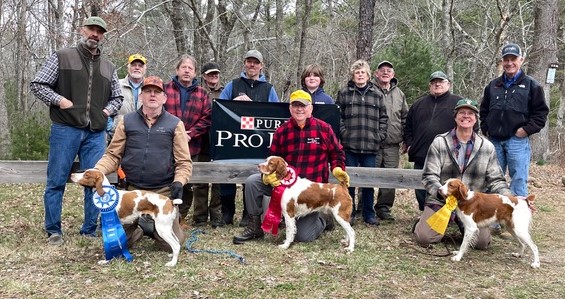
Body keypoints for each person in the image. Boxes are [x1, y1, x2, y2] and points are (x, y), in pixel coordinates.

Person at [29, 16, 123, 245]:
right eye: (92, 29)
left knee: (96, 182)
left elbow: (118, 97)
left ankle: (90, 230)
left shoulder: (108, 67)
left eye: (100, 31)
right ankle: (54, 231)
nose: (95, 34)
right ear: (83, 30)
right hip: (65, 129)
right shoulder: (62, 56)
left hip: (95, 133)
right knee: (56, 181)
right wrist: (59, 100)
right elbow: (38, 84)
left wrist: (106, 112)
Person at [233, 90, 346, 244]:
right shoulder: (282, 131)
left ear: (310, 108)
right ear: (290, 108)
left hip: (310, 191)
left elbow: (337, 153)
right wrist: (268, 177)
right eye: (296, 105)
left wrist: (338, 169)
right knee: (253, 182)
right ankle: (255, 227)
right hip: (285, 185)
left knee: (303, 237)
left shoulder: (324, 128)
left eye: (303, 106)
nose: (299, 109)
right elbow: (272, 158)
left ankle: (323, 219)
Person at [94, 76, 192, 252]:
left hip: (162, 190)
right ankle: (136, 231)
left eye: (157, 92)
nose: (152, 95)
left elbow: (184, 162)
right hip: (132, 190)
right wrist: (97, 172)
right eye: (148, 91)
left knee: (172, 244)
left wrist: (180, 181)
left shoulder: (175, 124)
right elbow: (112, 155)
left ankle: (154, 229)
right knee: (117, 241)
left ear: (164, 98)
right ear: (141, 96)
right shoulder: (126, 121)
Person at [413, 99, 511, 248]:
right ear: (455, 117)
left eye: (470, 113)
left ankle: (463, 226)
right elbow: (428, 176)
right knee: (424, 238)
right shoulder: (440, 142)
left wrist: (510, 197)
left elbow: (496, 179)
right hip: (441, 201)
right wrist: (441, 192)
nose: (466, 116)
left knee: (481, 243)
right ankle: (424, 224)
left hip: (473, 204)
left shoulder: (487, 147)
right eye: (462, 113)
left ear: (476, 118)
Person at [218, 49, 279, 227]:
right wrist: (235, 104)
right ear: (245, 63)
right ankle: (227, 213)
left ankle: (248, 213)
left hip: (257, 140)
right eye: (249, 61)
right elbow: (220, 107)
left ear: (261, 66)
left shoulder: (269, 89)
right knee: (228, 173)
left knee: (252, 176)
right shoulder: (232, 85)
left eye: (256, 62)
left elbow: (275, 114)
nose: (252, 65)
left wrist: (254, 107)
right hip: (231, 137)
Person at [480, 43, 549, 197]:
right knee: (492, 179)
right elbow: (483, 110)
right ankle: (494, 218)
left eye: (513, 59)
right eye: (506, 59)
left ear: (521, 60)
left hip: (517, 141)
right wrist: (486, 128)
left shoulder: (532, 85)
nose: (509, 63)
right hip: (494, 141)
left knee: (518, 179)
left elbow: (541, 113)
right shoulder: (493, 85)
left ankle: (518, 218)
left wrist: (525, 130)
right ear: (502, 62)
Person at [335, 59, 388, 226]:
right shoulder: (344, 93)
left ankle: (368, 214)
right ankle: (348, 213)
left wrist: (379, 136)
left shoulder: (377, 94)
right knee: (347, 182)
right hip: (349, 145)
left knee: (368, 183)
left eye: (362, 72)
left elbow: (384, 118)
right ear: (353, 75)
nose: (360, 75)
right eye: (357, 72)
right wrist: (344, 134)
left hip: (370, 146)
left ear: (368, 75)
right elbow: (338, 117)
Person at [163, 55, 212, 228]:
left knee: (192, 182)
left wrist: (190, 133)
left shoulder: (202, 94)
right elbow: (157, 113)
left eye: (190, 68)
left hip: (193, 144)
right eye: (183, 67)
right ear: (177, 70)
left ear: (195, 73)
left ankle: (193, 218)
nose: (186, 70)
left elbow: (207, 118)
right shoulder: (164, 89)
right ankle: (170, 216)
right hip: (166, 144)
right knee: (169, 180)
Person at [404, 71, 463, 211]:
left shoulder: (458, 103)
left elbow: (470, 126)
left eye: (441, 81)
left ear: (448, 84)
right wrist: (410, 144)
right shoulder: (419, 104)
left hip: (449, 155)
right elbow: (408, 128)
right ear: (430, 85)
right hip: (422, 154)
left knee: (445, 187)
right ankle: (425, 213)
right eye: (434, 82)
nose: (437, 84)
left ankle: (448, 215)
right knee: (421, 186)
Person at [372, 61, 409, 221]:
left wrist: (406, 139)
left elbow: (405, 117)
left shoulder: (399, 94)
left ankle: (383, 208)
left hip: (392, 144)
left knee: (389, 177)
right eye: (382, 71)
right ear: (376, 74)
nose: (385, 73)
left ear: (393, 75)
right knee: (368, 175)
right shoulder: (369, 90)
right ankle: (361, 208)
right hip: (372, 143)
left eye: (389, 71)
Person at [190, 61, 224, 228]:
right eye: (210, 74)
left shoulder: (225, 92)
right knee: (200, 181)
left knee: (218, 180)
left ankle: (216, 216)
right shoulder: (196, 92)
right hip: (200, 140)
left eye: (216, 74)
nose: (214, 76)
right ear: (203, 76)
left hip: (220, 142)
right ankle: (200, 216)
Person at [106, 54, 147, 142]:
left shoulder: (151, 88)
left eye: (140, 66)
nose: (137, 68)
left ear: (145, 69)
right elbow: (104, 105)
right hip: (117, 137)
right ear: (128, 67)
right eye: (133, 65)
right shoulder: (116, 85)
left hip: (143, 138)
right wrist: (111, 127)